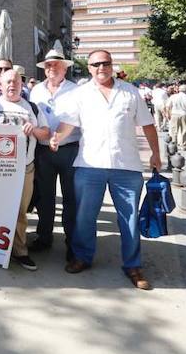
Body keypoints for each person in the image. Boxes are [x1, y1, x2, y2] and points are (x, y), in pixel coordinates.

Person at [50, 50, 161, 291]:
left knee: (129, 220)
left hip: (127, 166)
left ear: (112, 65)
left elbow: (148, 124)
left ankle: (133, 265)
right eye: (96, 64)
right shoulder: (80, 94)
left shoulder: (130, 92)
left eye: (105, 63)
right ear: (89, 68)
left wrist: (156, 153)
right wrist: (56, 137)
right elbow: (68, 122)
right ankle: (82, 257)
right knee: (84, 217)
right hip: (90, 164)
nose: (101, 67)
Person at [0, 68, 50, 271]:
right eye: (8, 82)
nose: (12, 85)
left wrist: (34, 129)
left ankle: (20, 250)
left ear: (22, 84)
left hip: (24, 169)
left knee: (20, 212)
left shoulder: (32, 107)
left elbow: (45, 134)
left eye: (16, 81)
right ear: (0, 84)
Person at [28, 49, 80, 261]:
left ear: (65, 68)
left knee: (71, 198)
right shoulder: (36, 90)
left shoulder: (76, 90)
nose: (51, 68)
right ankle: (44, 236)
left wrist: (58, 136)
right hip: (42, 151)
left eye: (56, 65)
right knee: (44, 197)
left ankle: (72, 241)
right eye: (48, 65)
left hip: (69, 149)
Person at [166, 84, 186, 150]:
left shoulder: (173, 96)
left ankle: (174, 145)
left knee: (174, 130)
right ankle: (184, 145)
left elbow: (168, 106)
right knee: (184, 131)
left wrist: (167, 114)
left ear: (179, 90)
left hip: (175, 114)